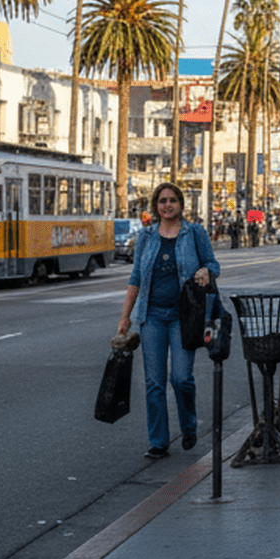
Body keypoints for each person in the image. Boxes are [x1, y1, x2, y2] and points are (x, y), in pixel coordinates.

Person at [117, 182, 219, 459]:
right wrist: (126, 317)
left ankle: (188, 424)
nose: (167, 205)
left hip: (184, 317)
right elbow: (136, 278)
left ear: (181, 204)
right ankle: (158, 441)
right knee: (154, 383)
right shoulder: (147, 237)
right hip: (152, 316)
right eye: (162, 201)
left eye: (172, 200)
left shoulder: (194, 232)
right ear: (156, 205)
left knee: (181, 378)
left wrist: (204, 270)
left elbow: (214, 264)